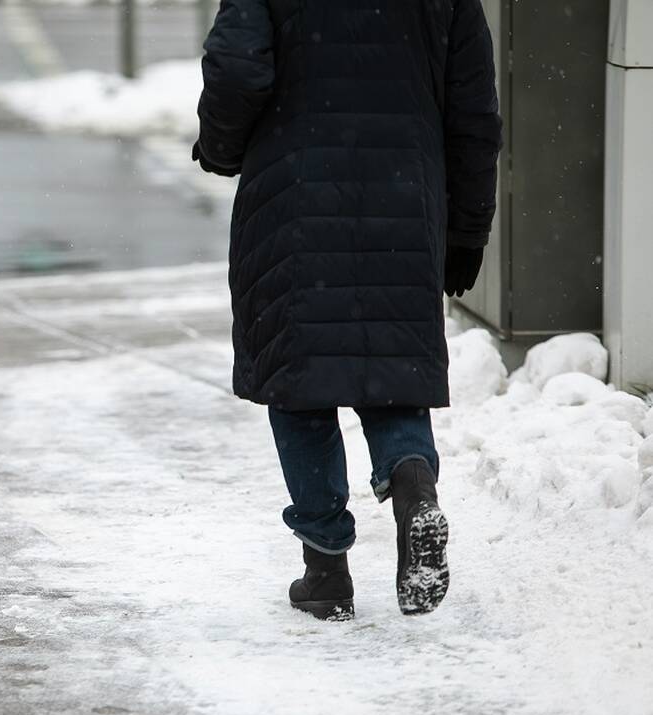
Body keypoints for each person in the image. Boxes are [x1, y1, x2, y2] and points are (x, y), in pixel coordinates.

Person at [194, 0, 502, 619]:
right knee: (391, 367)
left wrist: (223, 146)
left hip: (293, 193)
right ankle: (413, 484)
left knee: (300, 380)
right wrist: (467, 230)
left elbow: (236, 66)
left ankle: (326, 569)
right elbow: (474, 114)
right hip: (403, 193)